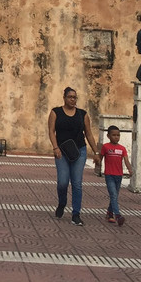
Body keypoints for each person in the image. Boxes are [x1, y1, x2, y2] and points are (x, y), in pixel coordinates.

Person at [48, 86, 99, 226]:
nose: (72, 99)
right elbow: (51, 131)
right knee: (63, 181)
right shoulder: (55, 112)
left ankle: (76, 214)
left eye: (75, 97)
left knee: (77, 183)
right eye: (70, 97)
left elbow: (88, 133)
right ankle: (62, 202)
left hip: (79, 151)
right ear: (64, 98)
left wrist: (96, 152)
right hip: (62, 151)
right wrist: (55, 147)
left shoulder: (82, 114)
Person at [100, 125, 132, 226]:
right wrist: (97, 164)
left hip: (119, 175)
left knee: (114, 196)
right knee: (113, 195)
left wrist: (130, 169)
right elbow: (100, 158)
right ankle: (118, 215)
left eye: (118, 135)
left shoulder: (122, 148)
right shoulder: (105, 147)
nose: (116, 137)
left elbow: (126, 160)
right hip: (109, 175)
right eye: (113, 135)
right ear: (108, 136)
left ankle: (109, 213)